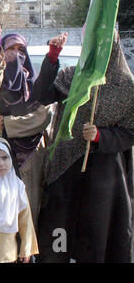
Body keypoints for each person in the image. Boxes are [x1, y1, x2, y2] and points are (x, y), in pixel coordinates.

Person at [35, 30, 134, 263]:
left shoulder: (127, 86)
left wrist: (102, 136)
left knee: (97, 235)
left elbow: (130, 132)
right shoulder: (72, 76)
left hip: (104, 176)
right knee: (59, 233)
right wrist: (52, 58)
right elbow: (42, 95)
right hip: (66, 167)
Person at [0, 20, 52, 228]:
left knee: (29, 210)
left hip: (31, 154)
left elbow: (43, 117)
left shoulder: (34, 83)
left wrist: (9, 124)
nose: (16, 54)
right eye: (10, 49)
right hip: (1, 155)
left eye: (20, 49)